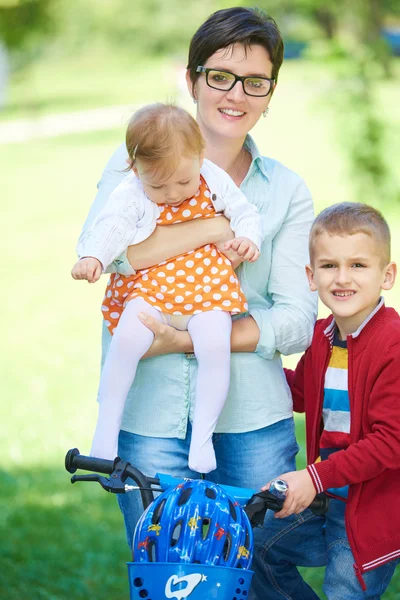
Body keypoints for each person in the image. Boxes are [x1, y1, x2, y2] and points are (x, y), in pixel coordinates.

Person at [78, 7, 317, 596]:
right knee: (170, 578)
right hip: (150, 417)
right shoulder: (134, 159)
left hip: (251, 421)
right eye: (219, 76)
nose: (236, 94)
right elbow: (107, 254)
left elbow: (295, 321)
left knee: (262, 574)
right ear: (192, 80)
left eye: (254, 82)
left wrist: (183, 339)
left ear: (270, 93)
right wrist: (211, 232)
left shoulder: (284, 189)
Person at [72, 103, 262, 473]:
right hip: (153, 287)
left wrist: (248, 238)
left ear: (199, 156)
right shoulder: (130, 191)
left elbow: (244, 212)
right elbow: (111, 226)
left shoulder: (212, 175)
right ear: (136, 168)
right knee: (126, 340)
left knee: (214, 346)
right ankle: (105, 433)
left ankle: (203, 438)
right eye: (158, 185)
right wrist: (94, 257)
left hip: (207, 286)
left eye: (183, 182)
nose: (173, 193)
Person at [252, 203, 400, 600]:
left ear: (387, 275)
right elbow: (302, 392)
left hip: (373, 512)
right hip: (327, 499)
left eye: (358, 265)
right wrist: (249, 372)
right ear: (310, 276)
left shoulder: (393, 344)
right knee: (257, 548)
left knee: (344, 593)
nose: (342, 278)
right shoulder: (323, 336)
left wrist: (313, 478)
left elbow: (391, 441)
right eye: (329, 266)